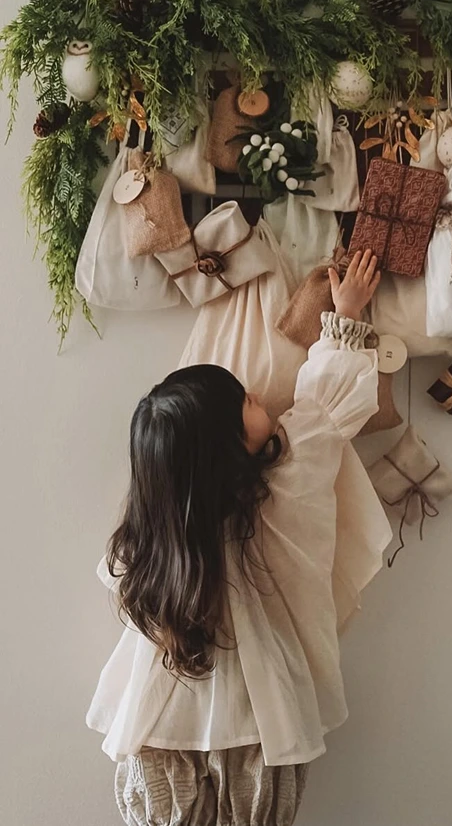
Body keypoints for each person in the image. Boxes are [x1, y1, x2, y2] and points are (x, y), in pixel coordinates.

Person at [87, 251, 382, 826]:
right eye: (247, 400)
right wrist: (344, 318)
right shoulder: (274, 487)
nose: (260, 398)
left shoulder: (152, 538)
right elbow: (325, 408)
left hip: (159, 713)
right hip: (259, 709)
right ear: (225, 445)